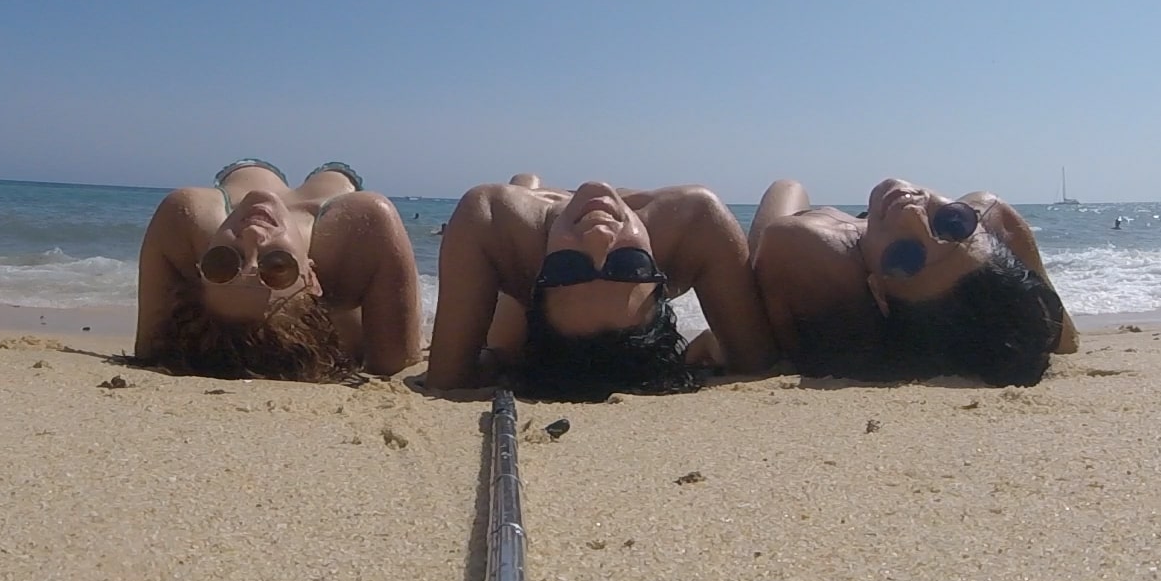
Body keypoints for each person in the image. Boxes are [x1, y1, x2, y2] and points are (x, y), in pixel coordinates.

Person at [425, 176, 777, 399]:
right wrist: (712, 344)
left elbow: (448, 378)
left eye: (568, 267)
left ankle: (528, 184)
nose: (599, 236)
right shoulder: (694, 218)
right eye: (630, 265)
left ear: (538, 279)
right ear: (661, 278)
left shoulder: (492, 216)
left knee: (506, 341)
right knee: (784, 189)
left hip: (527, 275)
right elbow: (755, 360)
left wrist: (499, 360)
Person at [747, 177, 1077, 387]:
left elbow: (771, 349)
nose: (913, 215)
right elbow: (1063, 337)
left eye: (905, 256)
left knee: (787, 187)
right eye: (952, 223)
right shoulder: (992, 214)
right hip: (876, 240)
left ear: (877, 292)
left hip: (829, 253)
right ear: (983, 228)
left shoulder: (807, 248)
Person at [133, 159, 421, 381]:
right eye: (277, 265)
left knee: (250, 172)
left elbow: (149, 348)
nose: (253, 235)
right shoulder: (361, 222)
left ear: (198, 273)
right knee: (335, 175)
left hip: (244, 176)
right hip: (333, 209)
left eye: (222, 262)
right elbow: (396, 359)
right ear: (311, 277)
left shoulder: (186, 214)